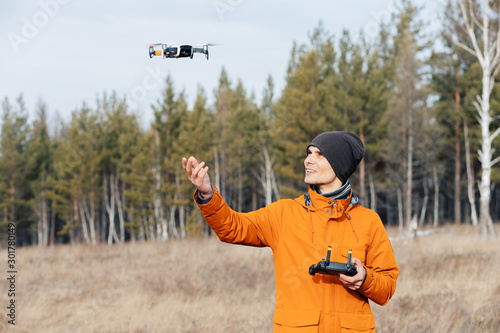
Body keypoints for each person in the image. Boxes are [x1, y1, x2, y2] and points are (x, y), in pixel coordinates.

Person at [182, 131, 399, 333]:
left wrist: (364, 279)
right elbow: (231, 228)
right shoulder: (284, 213)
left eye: (320, 155)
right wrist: (207, 193)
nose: (308, 160)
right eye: (309, 153)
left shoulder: (369, 221)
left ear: (340, 164)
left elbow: (387, 286)